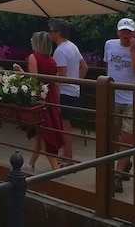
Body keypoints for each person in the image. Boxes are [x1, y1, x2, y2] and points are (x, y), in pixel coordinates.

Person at [104, 17, 135, 193]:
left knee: (128, 137)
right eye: (123, 31)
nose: (126, 35)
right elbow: (108, 68)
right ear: (117, 32)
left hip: (132, 99)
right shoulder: (109, 44)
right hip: (113, 96)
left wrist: (133, 52)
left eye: (129, 32)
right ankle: (125, 161)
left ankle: (116, 175)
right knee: (114, 135)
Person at [13, 31, 64, 172]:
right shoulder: (52, 61)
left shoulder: (33, 57)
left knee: (42, 132)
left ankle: (55, 168)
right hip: (51, 96)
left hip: (40, 97)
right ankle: (30, 164)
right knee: (41, 131)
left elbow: (33, 80)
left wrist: (20, 71)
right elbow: (55, 82)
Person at [49, 17, 88, 164]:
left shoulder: (60, 51)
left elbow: (61, 74)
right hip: (73, 90)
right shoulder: (73, 46)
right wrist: (76, 82)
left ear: (58, 33)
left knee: (64, 125)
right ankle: (66, 155)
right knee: (66, 124)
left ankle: (68, 157)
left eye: (51, 31)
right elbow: (84, 67)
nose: (49, 34)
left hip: (64, 92)